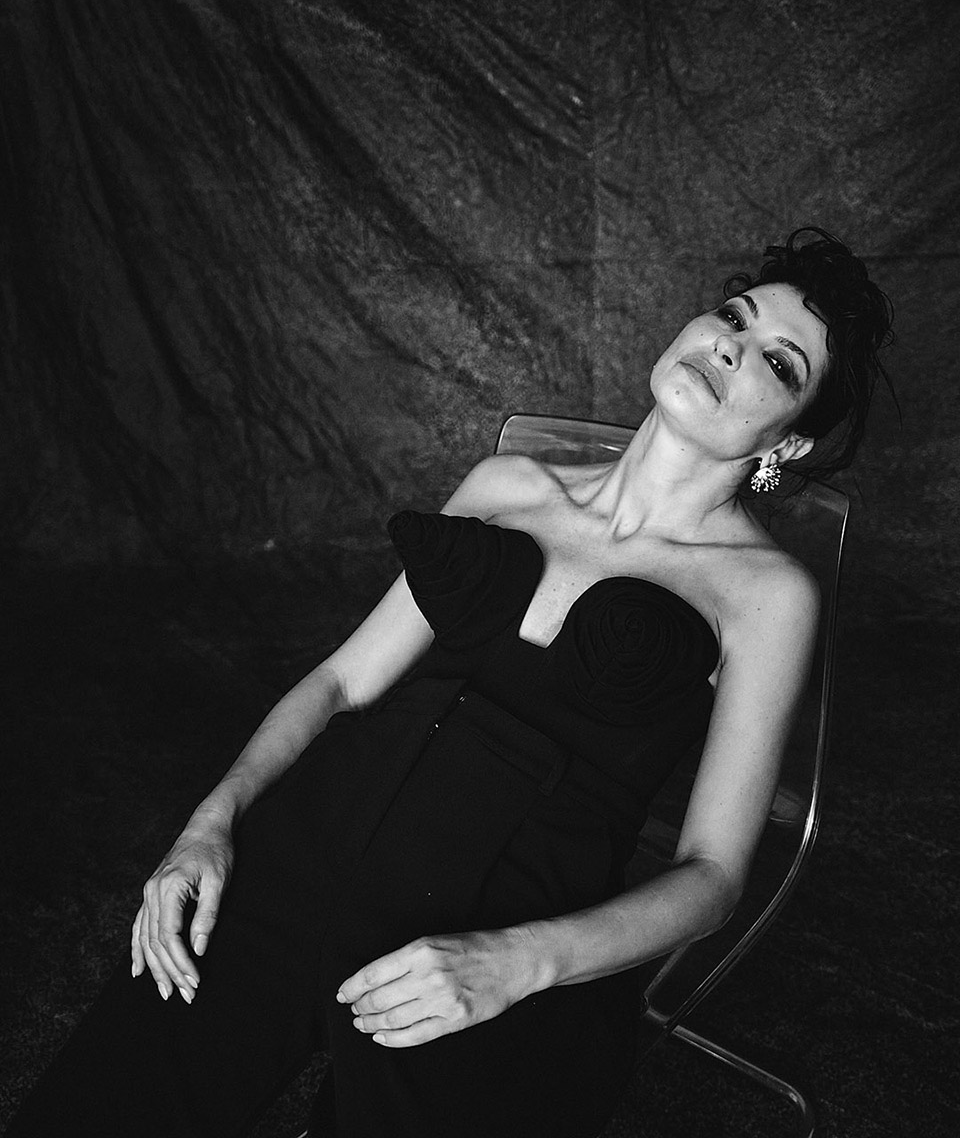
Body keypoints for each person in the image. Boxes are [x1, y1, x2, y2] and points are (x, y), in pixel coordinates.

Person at [8, 227, 894, 1138]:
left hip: (507, 932)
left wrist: (518, 963)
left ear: (790, 440)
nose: (731, 347)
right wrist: (211, 822)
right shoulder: (508, 484)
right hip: (316, 841)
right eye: (733, 317)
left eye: (778, 362)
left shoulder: (766, 594)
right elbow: (343, 683)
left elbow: (713, 876)